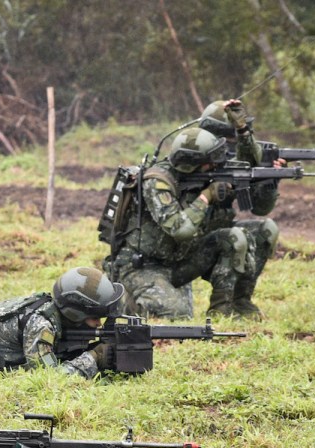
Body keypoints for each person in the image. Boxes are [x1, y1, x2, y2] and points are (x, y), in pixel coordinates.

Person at [102, 100, 279, 320]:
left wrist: (267, 177)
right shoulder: (157, 182)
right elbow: (181, 229)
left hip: (181, 259)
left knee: (240, 236)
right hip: (142, 266)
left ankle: (227, 309)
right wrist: (207, 196)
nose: (217, 164)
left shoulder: (207, 174)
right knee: (177, 314)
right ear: (193, 163)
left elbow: (260, 206)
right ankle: (125, 301)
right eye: (211, 162)